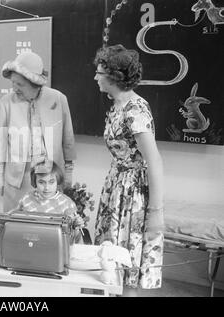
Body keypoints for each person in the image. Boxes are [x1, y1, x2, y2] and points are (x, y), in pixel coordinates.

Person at [92, 44, 164, 293]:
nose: (95, 77)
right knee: (111, 264)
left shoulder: (136, 110)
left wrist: (156, 212)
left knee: (127, 264)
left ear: (114, 76)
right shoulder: (117, 106)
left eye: (99, 73)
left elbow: (153, 160)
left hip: (133, 195)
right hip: (117, 186)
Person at [0, 51, 76, 213]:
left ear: (35, 83)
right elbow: (0, 142)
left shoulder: (58, 99)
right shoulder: (6, 102)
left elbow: (68, 139)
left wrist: (69, 172)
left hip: (50, 178)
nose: (15, 88)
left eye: (20, 85)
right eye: (13, 83)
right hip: (18, 180)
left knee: (48, 227)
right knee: (16, 224)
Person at [13, 161, 84, 242]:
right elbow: (15, 225)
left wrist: (76, 228)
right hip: (29, 244)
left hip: (55, 246)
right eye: (41, 182)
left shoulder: (67, 204)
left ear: (57, 181)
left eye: (51, 182)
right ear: (35, 182)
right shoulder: (26, 199)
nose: (46, 187)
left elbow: (75, 240)